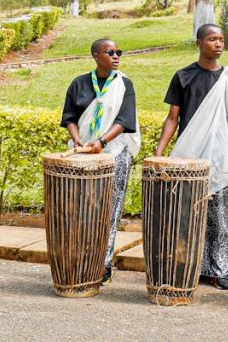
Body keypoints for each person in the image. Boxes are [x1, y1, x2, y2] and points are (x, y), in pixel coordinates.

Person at [155, 24, 228, 290]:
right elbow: (173, 118)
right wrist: (159, 153)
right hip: (190, 157)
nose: (218, 44)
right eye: (212, 39)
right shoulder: (183, 77)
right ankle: (190, 265)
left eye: (221, 39)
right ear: (199, 43)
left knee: (223, 216)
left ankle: (222, 269)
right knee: (190, 214)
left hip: (222, 158)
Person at [61, 38, 140, 283]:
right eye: (110, 52)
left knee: (109, 210)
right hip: (83, 154)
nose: (116, 56)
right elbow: (70, 117)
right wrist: (77, 141)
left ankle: (102, 263)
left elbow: (125, 120)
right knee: (81, 208)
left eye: (119, 52)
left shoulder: (124, 84)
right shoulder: (79, 83)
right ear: (96, 56)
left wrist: (102, 142)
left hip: (113, 152)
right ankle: (80, 259)